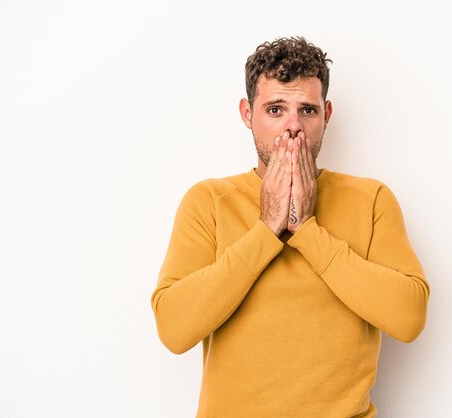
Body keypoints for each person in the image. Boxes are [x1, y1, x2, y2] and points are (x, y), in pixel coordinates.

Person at [150, 36, 430, 417]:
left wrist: (308, 231)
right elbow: (174, 329)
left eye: (308, 111)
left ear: (326, 115)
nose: (293, 127)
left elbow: (409, 318)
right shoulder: (208, 201)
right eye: (276, 109)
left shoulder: (372, 199)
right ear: (248, 114)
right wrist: (267, 229)